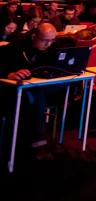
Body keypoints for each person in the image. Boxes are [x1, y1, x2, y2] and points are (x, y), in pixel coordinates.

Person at [0, 23, 62, 160]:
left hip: (36, 85)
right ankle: (38, 143)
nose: (49, 44)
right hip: (11, 90)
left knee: (65, 86)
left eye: (52, 40)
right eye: (45, 40)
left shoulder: (51, 45)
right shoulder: (16, 45)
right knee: (36, 93)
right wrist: (9, 73)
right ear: (34, 36)